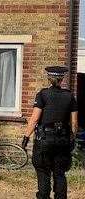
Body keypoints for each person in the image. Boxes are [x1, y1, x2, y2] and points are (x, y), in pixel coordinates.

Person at [22, 66, 78, 199]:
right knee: (59, 173)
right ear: (62, 79)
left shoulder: (42, 94)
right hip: (62, 141)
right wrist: (72, 139)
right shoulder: (70, 96)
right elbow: (74, 124)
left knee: (43, 172)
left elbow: (35, 119)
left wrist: (26, 137)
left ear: (49, 78)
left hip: (44, 141)